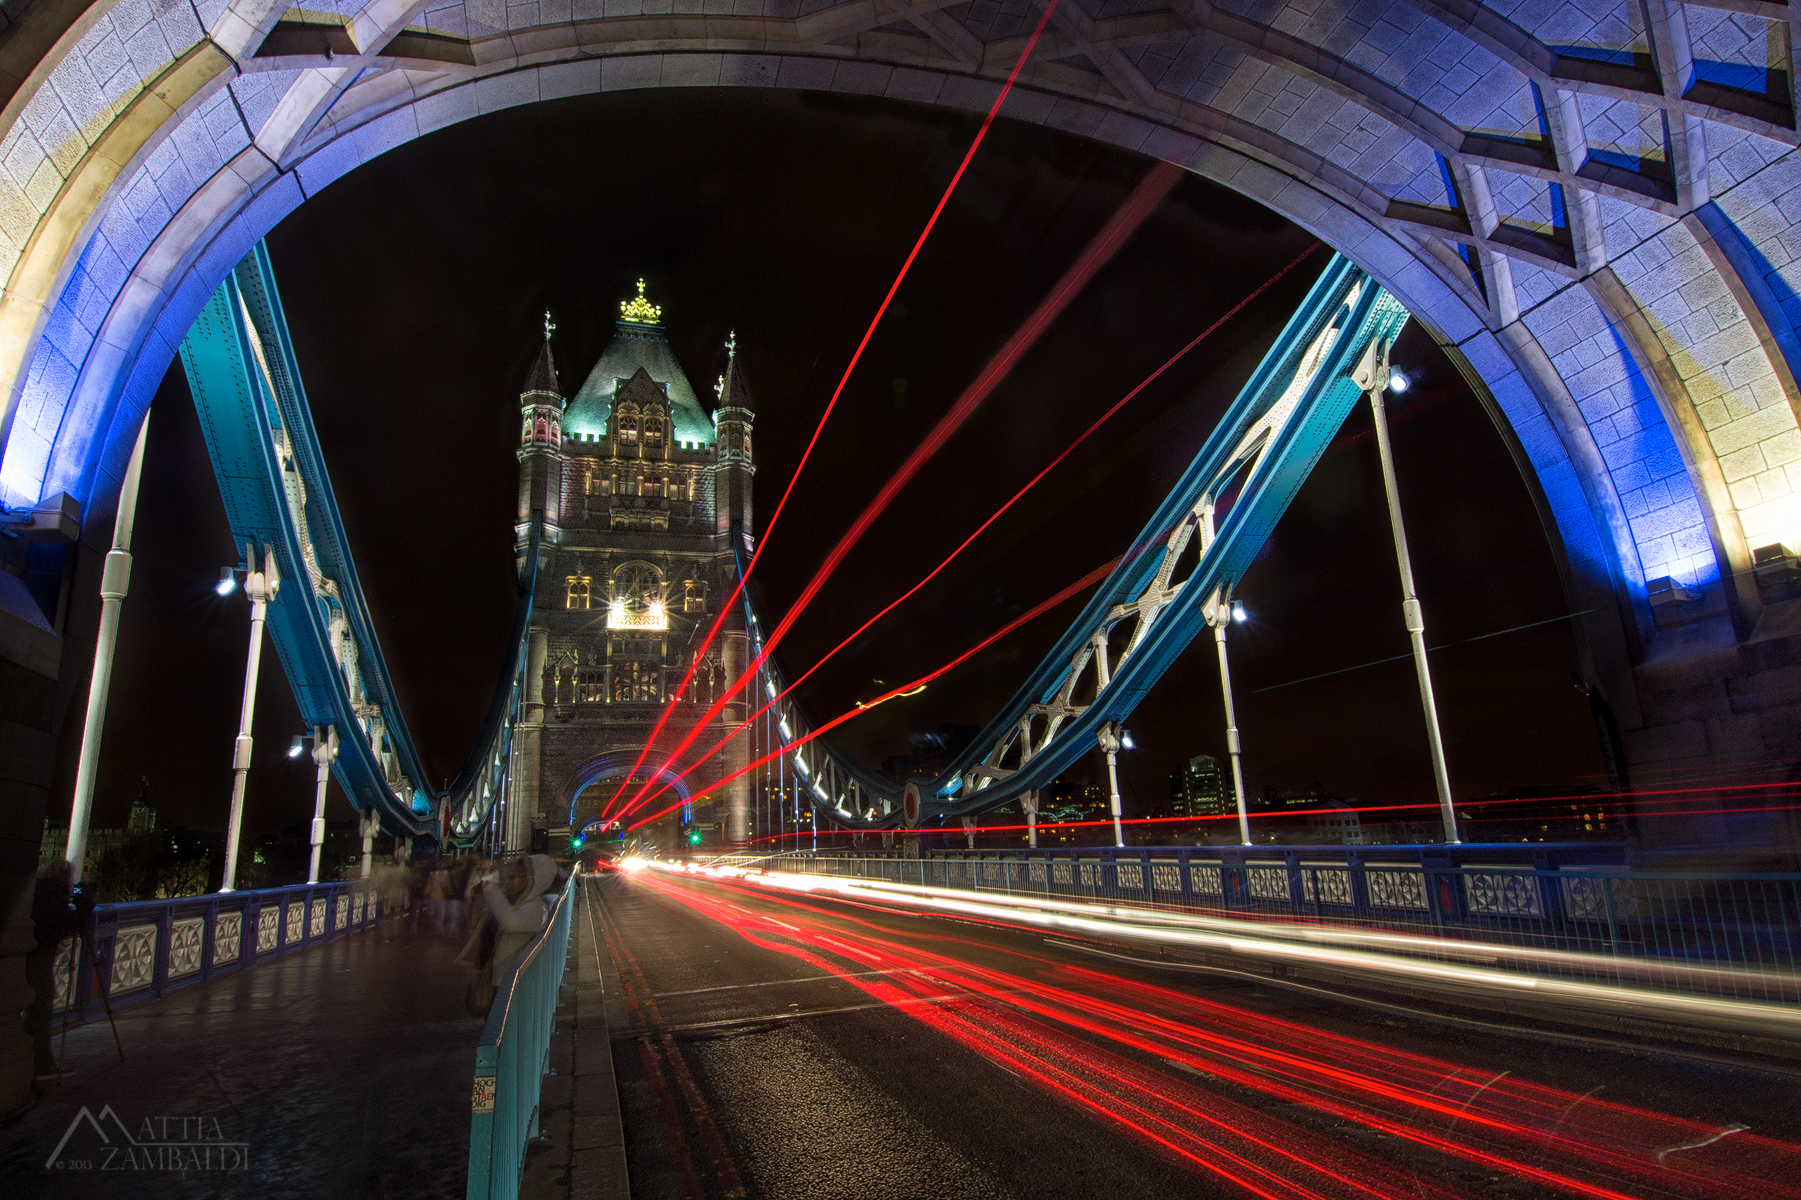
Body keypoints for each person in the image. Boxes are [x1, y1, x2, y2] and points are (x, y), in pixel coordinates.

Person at [457, 855, 557, 1016]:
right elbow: (477, 923)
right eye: (507, 877)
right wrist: (478, 900)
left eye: (513, 878)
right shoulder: (511, 902)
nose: (507, 882)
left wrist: (491, 890)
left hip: (513, 985)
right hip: (499, 979)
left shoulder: (536, 909)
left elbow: (511, 922)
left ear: (533, 880)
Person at [25, 861, 89, 1081]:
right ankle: (41, 1063)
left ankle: (26, 1058)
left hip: (28, 954)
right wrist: (84, 907)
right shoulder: (55, 893)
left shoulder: (35, 890)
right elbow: (66, 922)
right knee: (40, 1009)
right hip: (40, 956)